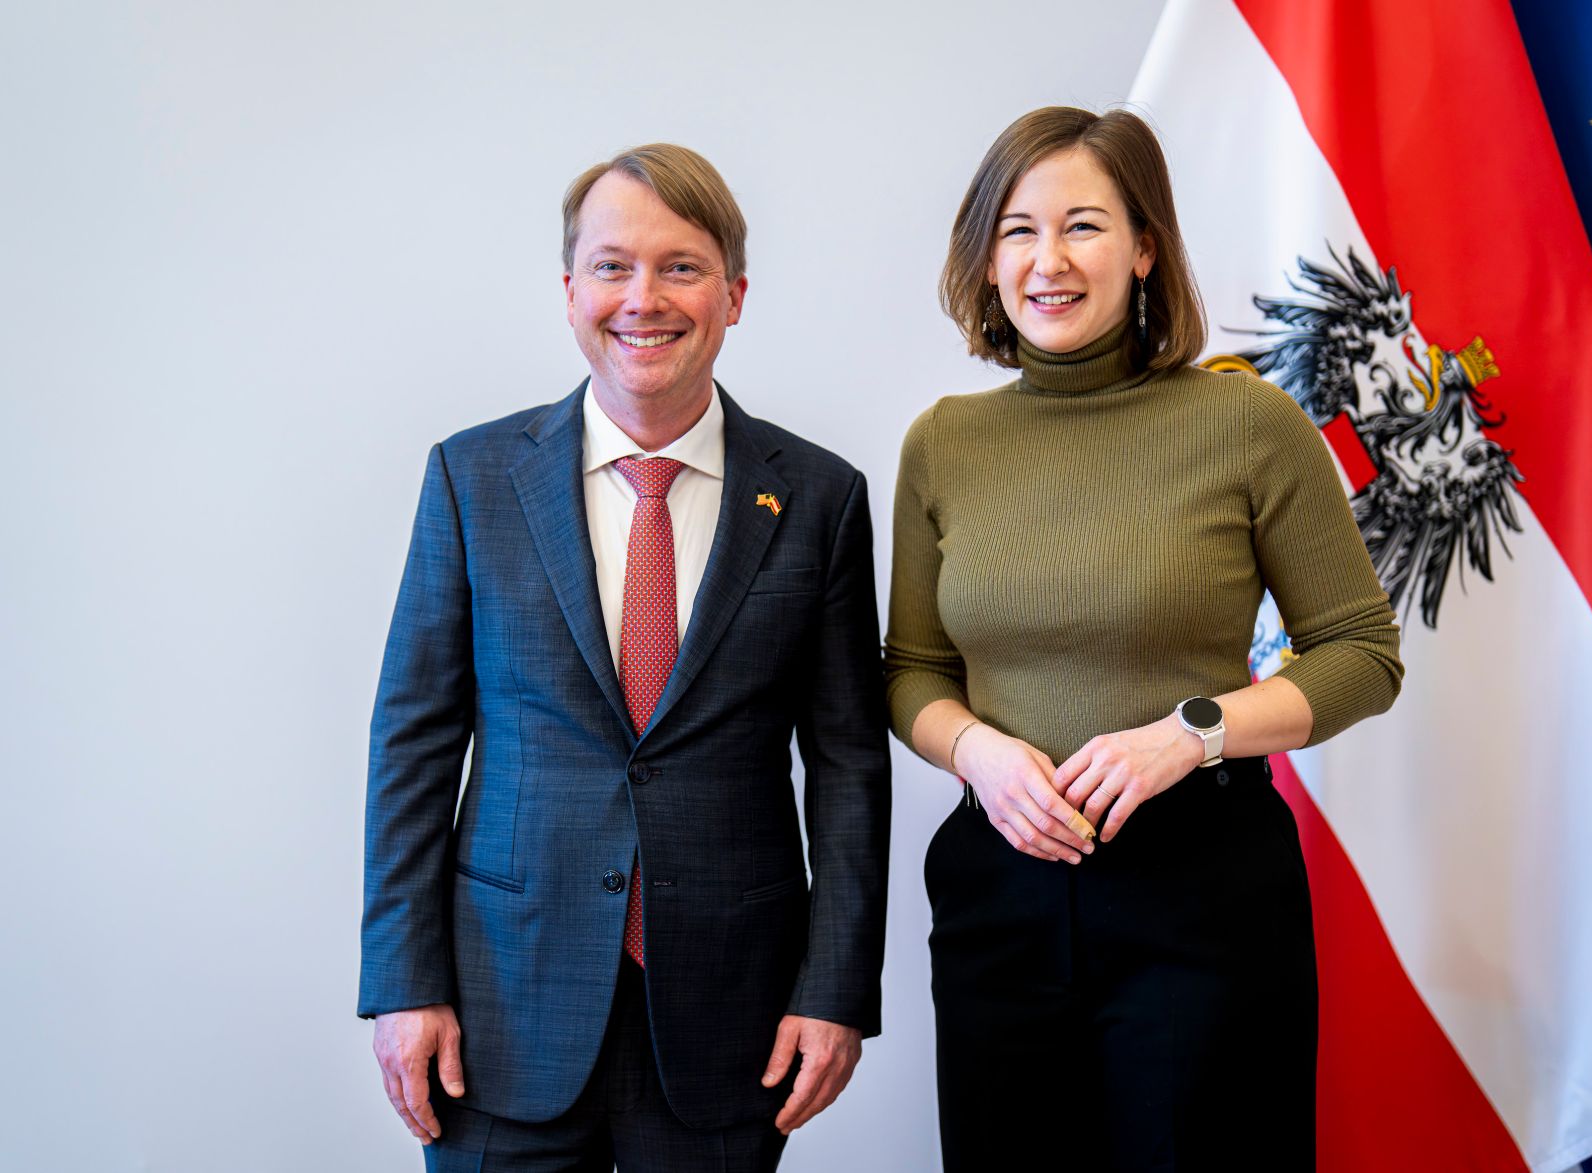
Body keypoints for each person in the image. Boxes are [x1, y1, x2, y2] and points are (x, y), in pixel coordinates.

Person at [883, 107, 1403, 1170]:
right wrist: (974, 751)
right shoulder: (942, 445)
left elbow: (1360, 653)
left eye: (1082, 225)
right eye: (1016, 230)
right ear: (985, 260)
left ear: (1144, 247)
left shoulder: (1245, 425)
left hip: (1201, 897)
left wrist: (1191, 733)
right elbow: (915, 672)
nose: (1047, 260)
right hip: (1000, 893)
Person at [360, 143, 890, 1172]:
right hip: (498, 1009)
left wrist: (833, 992)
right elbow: (412, 744)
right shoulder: (473, 479)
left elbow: (847, 767)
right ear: (569, 291)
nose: (642, 298)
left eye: (680, 267)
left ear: (733, 296)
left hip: (728, 1014)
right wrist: (402, 981)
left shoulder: (819, 499)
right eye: (611, 266)